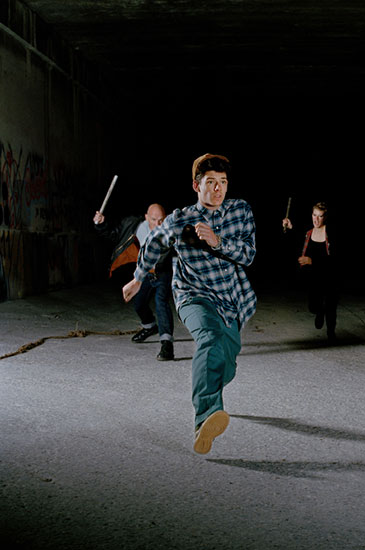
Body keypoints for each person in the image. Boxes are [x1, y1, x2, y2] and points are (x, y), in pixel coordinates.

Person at [122, 153, 257, 455]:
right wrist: (138, 278)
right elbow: (153, 244)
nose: (218, 189)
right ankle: (205, 417)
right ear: (197, 186)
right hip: (192, 295)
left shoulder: (240, 211)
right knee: (209, 339)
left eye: (223, 182)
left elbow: (248, 254)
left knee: (226, 364)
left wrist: (217, 240)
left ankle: (213, 383)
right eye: (211, 182)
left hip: (230, 299)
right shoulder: (180, 219)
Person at [94, 203, 175, 361]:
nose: (158, 224)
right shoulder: (134, 226)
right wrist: (101, 224)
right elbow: (114, 234)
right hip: (144, 273)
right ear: (146, 218)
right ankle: (149, 326)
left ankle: (167, 344)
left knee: (161, 303)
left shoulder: (171, 230)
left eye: (161, 220)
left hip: (163, 272)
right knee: (138, 303)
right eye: (154, 220)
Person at [282, 202, 338, 340]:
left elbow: (335, 260)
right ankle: (320, 311)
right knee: (313, 306)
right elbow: (296, 238)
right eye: (314, 215)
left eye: (320, 216)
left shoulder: (331, 233)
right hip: (314, 277)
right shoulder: (308, 233)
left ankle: (331, 333)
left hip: (330, 276)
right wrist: (289, 227)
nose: (316, 219)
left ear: (325, 217)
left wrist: (312, 261)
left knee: (331, 304)